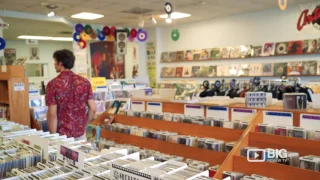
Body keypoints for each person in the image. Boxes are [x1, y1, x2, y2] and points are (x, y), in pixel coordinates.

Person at [46, 49, 96, 140]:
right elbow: (93, 108)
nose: (54, 64)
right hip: (80, 134)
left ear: (60, 63)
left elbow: (52, 114)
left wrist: (52, 137)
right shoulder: (85, 82)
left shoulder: (53, 84)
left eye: (55, 61)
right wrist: (83, 124)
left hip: (61, 135)